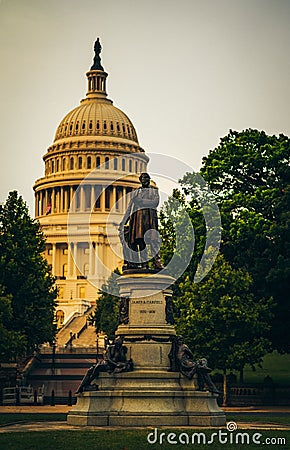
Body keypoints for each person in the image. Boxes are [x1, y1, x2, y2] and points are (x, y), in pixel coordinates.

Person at [118, 173, 162, 270]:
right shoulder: (136, 192)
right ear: (140, 180)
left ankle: (157, 261)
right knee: (141, 242)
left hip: (150, 218)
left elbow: (155, 202)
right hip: (138, 219)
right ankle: (144, 263)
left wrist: (141, 202)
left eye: (147, 178)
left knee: (154, 240)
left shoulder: (154, 191)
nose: (145, 180)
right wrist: (124, 221)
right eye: (143, 178)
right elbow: (129, 208)